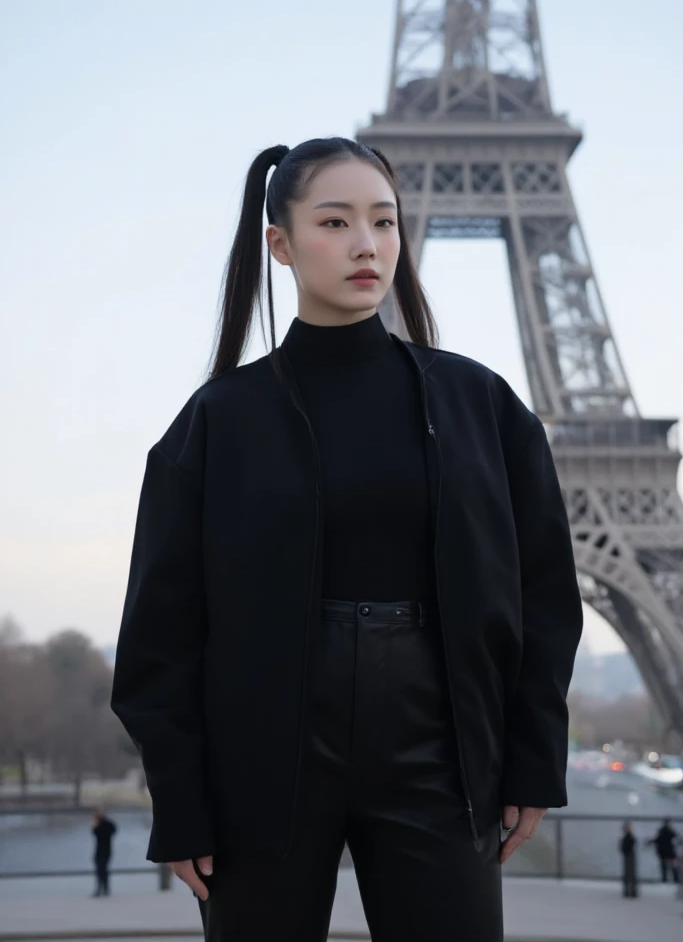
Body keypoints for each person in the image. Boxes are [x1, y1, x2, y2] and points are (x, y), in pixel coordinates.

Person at [111, 137, 584, 941]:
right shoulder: (216, 422)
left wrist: (532, 757)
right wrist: (182, 801)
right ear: (281, 244)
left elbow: (545, 592)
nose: (368, 244)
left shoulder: (484, 405)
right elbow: (160, 632)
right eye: (335, 222)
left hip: (441, 754)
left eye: (384, 222)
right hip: (262, 762)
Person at [91, 808, 117, 897]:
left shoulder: (107, 824)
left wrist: (98, 826)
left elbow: (112, 831)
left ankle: (104, 888)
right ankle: (102, 888)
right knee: (100, 869)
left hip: (105, 849)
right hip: (100, 850)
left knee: (103, 869)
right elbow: (94, 833)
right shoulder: (98, 824)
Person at [646, 818, 680, 883]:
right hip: (668, 853)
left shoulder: (664, 831)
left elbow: (657, 840)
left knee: (667, 868)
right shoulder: (667, 831)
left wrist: (650, 841)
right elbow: (659, 840)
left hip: (665, 853)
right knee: (671, 868)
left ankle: (668, 880)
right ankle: (674, 880)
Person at [619, 821, 639, 898]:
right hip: (628, 857)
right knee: (628, 874)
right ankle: (630, 891)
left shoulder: (629, 837)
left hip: (629, 857)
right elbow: (623, 848)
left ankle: (631, 891)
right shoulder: (627, 838)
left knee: (630, 874)